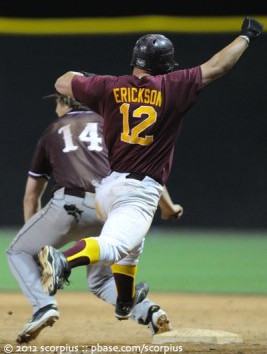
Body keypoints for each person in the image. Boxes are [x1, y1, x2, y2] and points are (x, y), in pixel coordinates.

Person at [38, 16, 263, 322]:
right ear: (165, 66)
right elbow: (218, 66)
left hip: (107, 189)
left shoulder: (109, 86)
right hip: (138, 192)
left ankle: (125, 301)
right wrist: (247, 37)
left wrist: (91, 79)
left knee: (132, 246)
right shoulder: (172, 87)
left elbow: (62, 81)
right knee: (116, 245)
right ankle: (61, 260)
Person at [7, 93, 183, 343]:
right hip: (110, 207)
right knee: (102, 280)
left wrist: (36, 244)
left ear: (67, 103)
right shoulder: (113, 123)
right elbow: (142, 172)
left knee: (18, 251)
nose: (56, 107)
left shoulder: (53, 130)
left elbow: (31, 196)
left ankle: (44, 306)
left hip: (68, 204)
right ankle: (150, 313)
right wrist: (169, 206)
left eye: (58, 101)